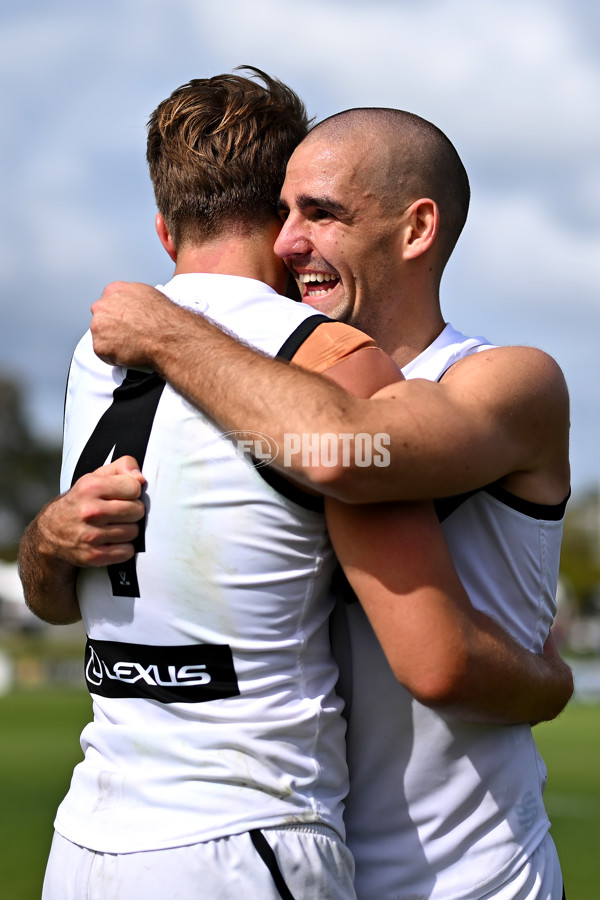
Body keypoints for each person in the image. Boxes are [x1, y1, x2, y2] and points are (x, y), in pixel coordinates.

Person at [18, 73, 571, 900]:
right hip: (308, 857)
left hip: (470, 878)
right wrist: (50, 536)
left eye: (320, 214)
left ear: (417, 228)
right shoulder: (252, 374)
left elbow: (346, 451)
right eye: (283, 213)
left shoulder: (507, 381)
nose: (283, 244)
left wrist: (169, 326)